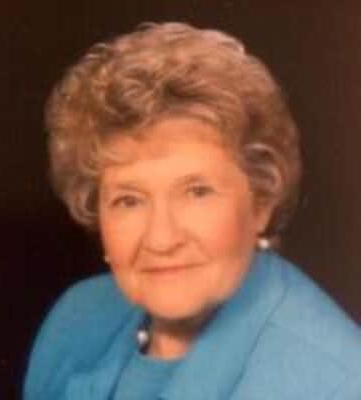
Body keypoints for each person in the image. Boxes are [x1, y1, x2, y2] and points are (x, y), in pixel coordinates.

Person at [24, 22, 361, 400]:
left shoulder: (336, 384)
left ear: (261, 203)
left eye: (197, 192)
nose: (161, 239)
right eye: (129, 200)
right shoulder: (75, 319)